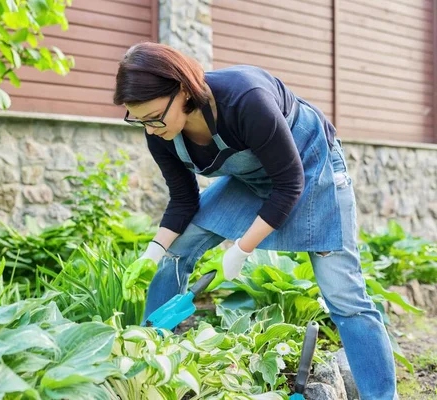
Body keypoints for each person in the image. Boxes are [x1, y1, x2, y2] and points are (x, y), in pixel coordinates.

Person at [113, 42, 398, 400]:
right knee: (176, 250)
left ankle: (380, 396)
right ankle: (150, 365)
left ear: (182, 89)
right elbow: (184, 199)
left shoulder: (245, 98)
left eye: (153, 117)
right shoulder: (160, 133)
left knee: (345, 296)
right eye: (138, 120)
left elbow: (291, 182)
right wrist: (154, 252)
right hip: (254, 180)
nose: (150, 129)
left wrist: (242, 248)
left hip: (312, 170)